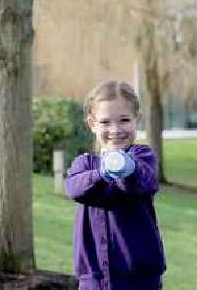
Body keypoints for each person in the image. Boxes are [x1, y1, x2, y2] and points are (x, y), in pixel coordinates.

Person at [65, 80, 165, 290]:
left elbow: (142, 183)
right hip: (94, 280)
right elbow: (74, 188)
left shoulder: (143, 157)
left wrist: (126, 168)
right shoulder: (85, 164)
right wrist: (102, 173)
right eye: (105, 122)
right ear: (92, 124)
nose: (115, 129)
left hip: (140, 280)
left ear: (137, 120)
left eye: (124, 120)